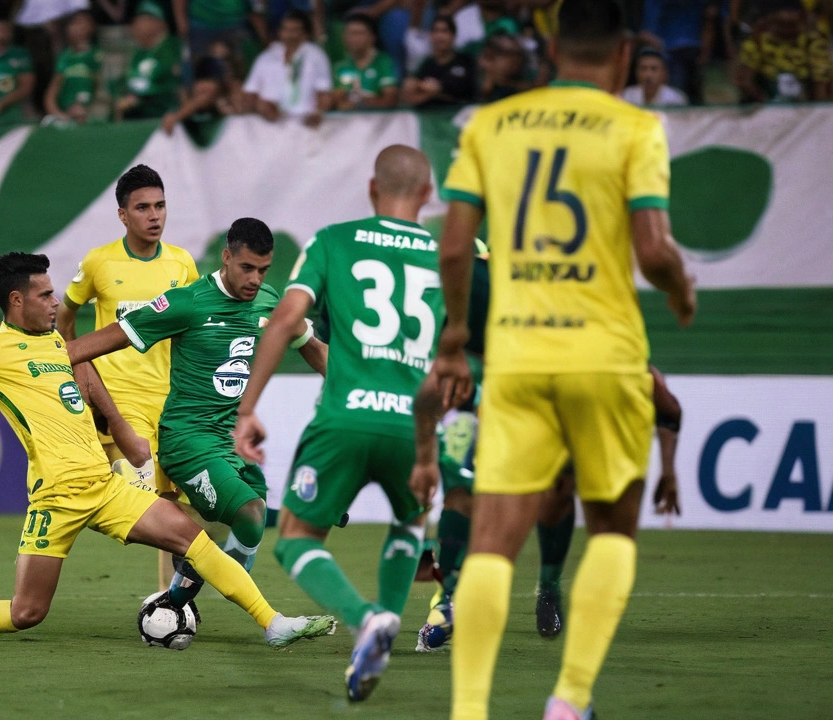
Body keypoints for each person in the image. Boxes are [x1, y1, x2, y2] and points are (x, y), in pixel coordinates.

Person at [0, 252, 337, 649]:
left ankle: (272, 623)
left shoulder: (59, 343)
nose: (56, 302)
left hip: (104, 486)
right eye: (46, 294)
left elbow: (85, 375)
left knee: (192, 539)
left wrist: (121, 429)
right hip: (55, 498)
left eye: (55, 293)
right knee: (27, 614)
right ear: (16, 300)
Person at [431, 0, 697, 716]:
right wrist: (680, 289)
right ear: (620, 59)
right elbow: (653, 249)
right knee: (611, 526)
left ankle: (469, 709)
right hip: (605, 355)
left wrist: (457, 334)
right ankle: (569, 700)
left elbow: (455, 247)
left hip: (516, 357)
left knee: (491, 539)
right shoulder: (638, 126)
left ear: (550, 54)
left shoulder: (489, 125)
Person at [233, 146, 440, 702]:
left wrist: (248, 409)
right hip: (413, 424)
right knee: (410, 523)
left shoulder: (332, 241)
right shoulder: (451, 259)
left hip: (344, 419)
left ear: (372, 189)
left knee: (297, 537)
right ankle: (385, 631)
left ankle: (365, 619)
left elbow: (285, 320)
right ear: (427, 194)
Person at [410, 253, 685, 650]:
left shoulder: (605, 352)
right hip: (493, 398)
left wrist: (670, 471)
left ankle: (549, 585)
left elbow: (669, 410)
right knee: (464, 483)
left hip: (552, 408)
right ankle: (452, 596)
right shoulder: (483, 295)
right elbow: (433, 383)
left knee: (558, 493)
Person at [67, 218, 328, 626]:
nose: (255, 279)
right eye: (247, 268)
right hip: (186, 439)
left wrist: (357, 385)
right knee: (251, 513)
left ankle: (172, 603)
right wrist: (48, 359)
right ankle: (264, 621)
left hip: (230, 442)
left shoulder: (271, 302)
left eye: (263, 270)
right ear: (226, 258)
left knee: (251, 527)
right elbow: (107, 337)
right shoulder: (187, 302)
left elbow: (311, 348)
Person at [57, 165, 201, 590]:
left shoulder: (181, 262)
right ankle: (168, 602)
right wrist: (81, 368)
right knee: (144, 502)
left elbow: (194, 324)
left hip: (171, 403)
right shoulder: (99, 262)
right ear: (123, 215)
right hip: (120, 403)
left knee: (176, 505)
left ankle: (175, 601)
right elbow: (65, 320)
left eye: (160, 206)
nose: (154, 216)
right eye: (142, 208)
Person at [242, 9, 332, 126]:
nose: (289, 34)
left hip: (306, 122)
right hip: (270, 124)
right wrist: (260, 107)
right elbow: (250, 92)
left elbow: (324, 92)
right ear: (279, 32)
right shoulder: (266, 57)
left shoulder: (316, 56)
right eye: (285, 29)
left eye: (294, 30)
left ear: (305, 34)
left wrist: (318, 112)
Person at [735, 0, 833, 103]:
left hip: (806, 102)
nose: (789, 18)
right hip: (766, 103)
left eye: (793, 14)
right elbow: (745, 80)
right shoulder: (757, 41)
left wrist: (816, 109)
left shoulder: (813, 42)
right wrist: (763, 102)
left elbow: (821, 81)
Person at [115, 2, 184, 121]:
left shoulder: (172, 47)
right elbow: (127, 82)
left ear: (159, 23)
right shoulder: (138, 53)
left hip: (162, 113)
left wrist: (135, 98)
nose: (135, 26)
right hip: (136, 112)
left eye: (142, 21)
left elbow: (168, 81)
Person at [402, 15, 477, 108]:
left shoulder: (466, 62)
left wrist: (433, 91)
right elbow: (411, 95)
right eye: (436, 31)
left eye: (444, 31)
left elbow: (466, 92)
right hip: (429, 117)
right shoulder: (425, 65)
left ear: (453, 35)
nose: (440, 36)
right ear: (430, 36)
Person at [44, 10, 102, 125]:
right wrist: (61, 115)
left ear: (92, 28)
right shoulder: (64, 57)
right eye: (75, 23)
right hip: (66, 116)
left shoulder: (97, 56)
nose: (78, 27)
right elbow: (50, 96)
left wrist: (87, 112)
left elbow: (101, 91)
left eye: (84, 23)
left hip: (90, 116)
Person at [332, 13, 401, 110]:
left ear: (372, 37)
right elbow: (337, 101)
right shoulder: (340, 67)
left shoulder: (384, 62)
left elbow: (390, 100)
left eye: (358, 33)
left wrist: (361, 102)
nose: (353, 38)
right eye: (349, 33)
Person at [621, 47, 688, 107]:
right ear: (636, 72)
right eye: (643, 68)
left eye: (654, 69)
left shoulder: (676, 99)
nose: (648, 75)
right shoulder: (626, 95)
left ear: (664, 73)